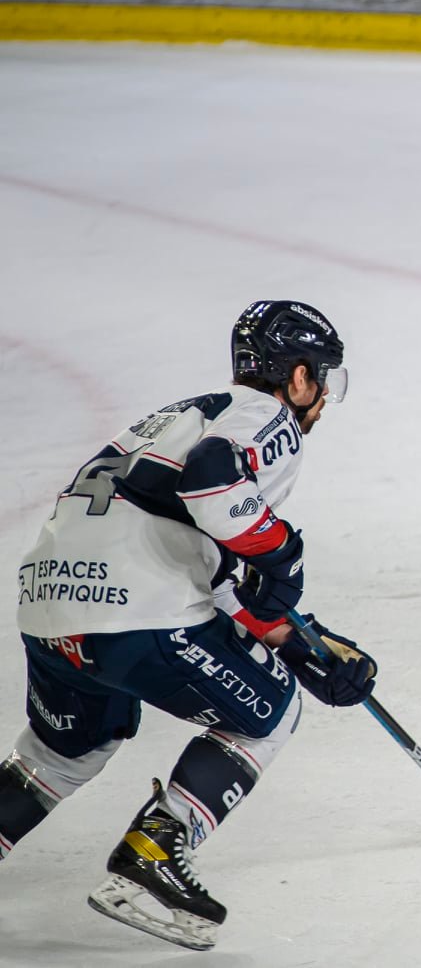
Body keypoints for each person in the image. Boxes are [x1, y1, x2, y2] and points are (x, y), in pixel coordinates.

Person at [1, 301, 376, 952]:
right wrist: (280, 548)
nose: (321, 399)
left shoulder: (173, 417)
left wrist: (292, 638)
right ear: (296, 377)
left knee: (67, 751)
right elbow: (211, 485)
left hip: (49, 602)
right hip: (132, 606)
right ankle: (153, 857)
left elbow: (210, 561)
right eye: (323, 380)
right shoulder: (268, 417)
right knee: (271, 712)